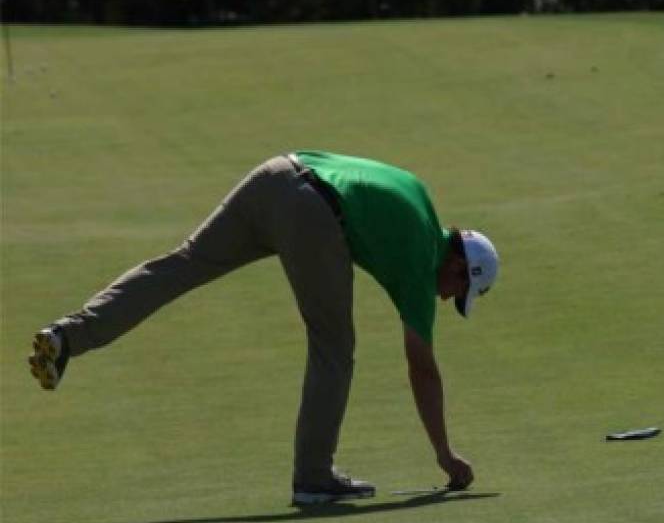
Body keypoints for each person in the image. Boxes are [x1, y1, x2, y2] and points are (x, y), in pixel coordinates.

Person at [28, 151, 498, 505]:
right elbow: (423, 369)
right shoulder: (422, 262)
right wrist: (445, 454)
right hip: (314, 212)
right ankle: (313, 477)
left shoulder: (419, 194)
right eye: (455, 292)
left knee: (184, 264)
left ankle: (68, 335)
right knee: (334, 346)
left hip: (275, 175)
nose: (445, 298)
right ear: (457, 265)